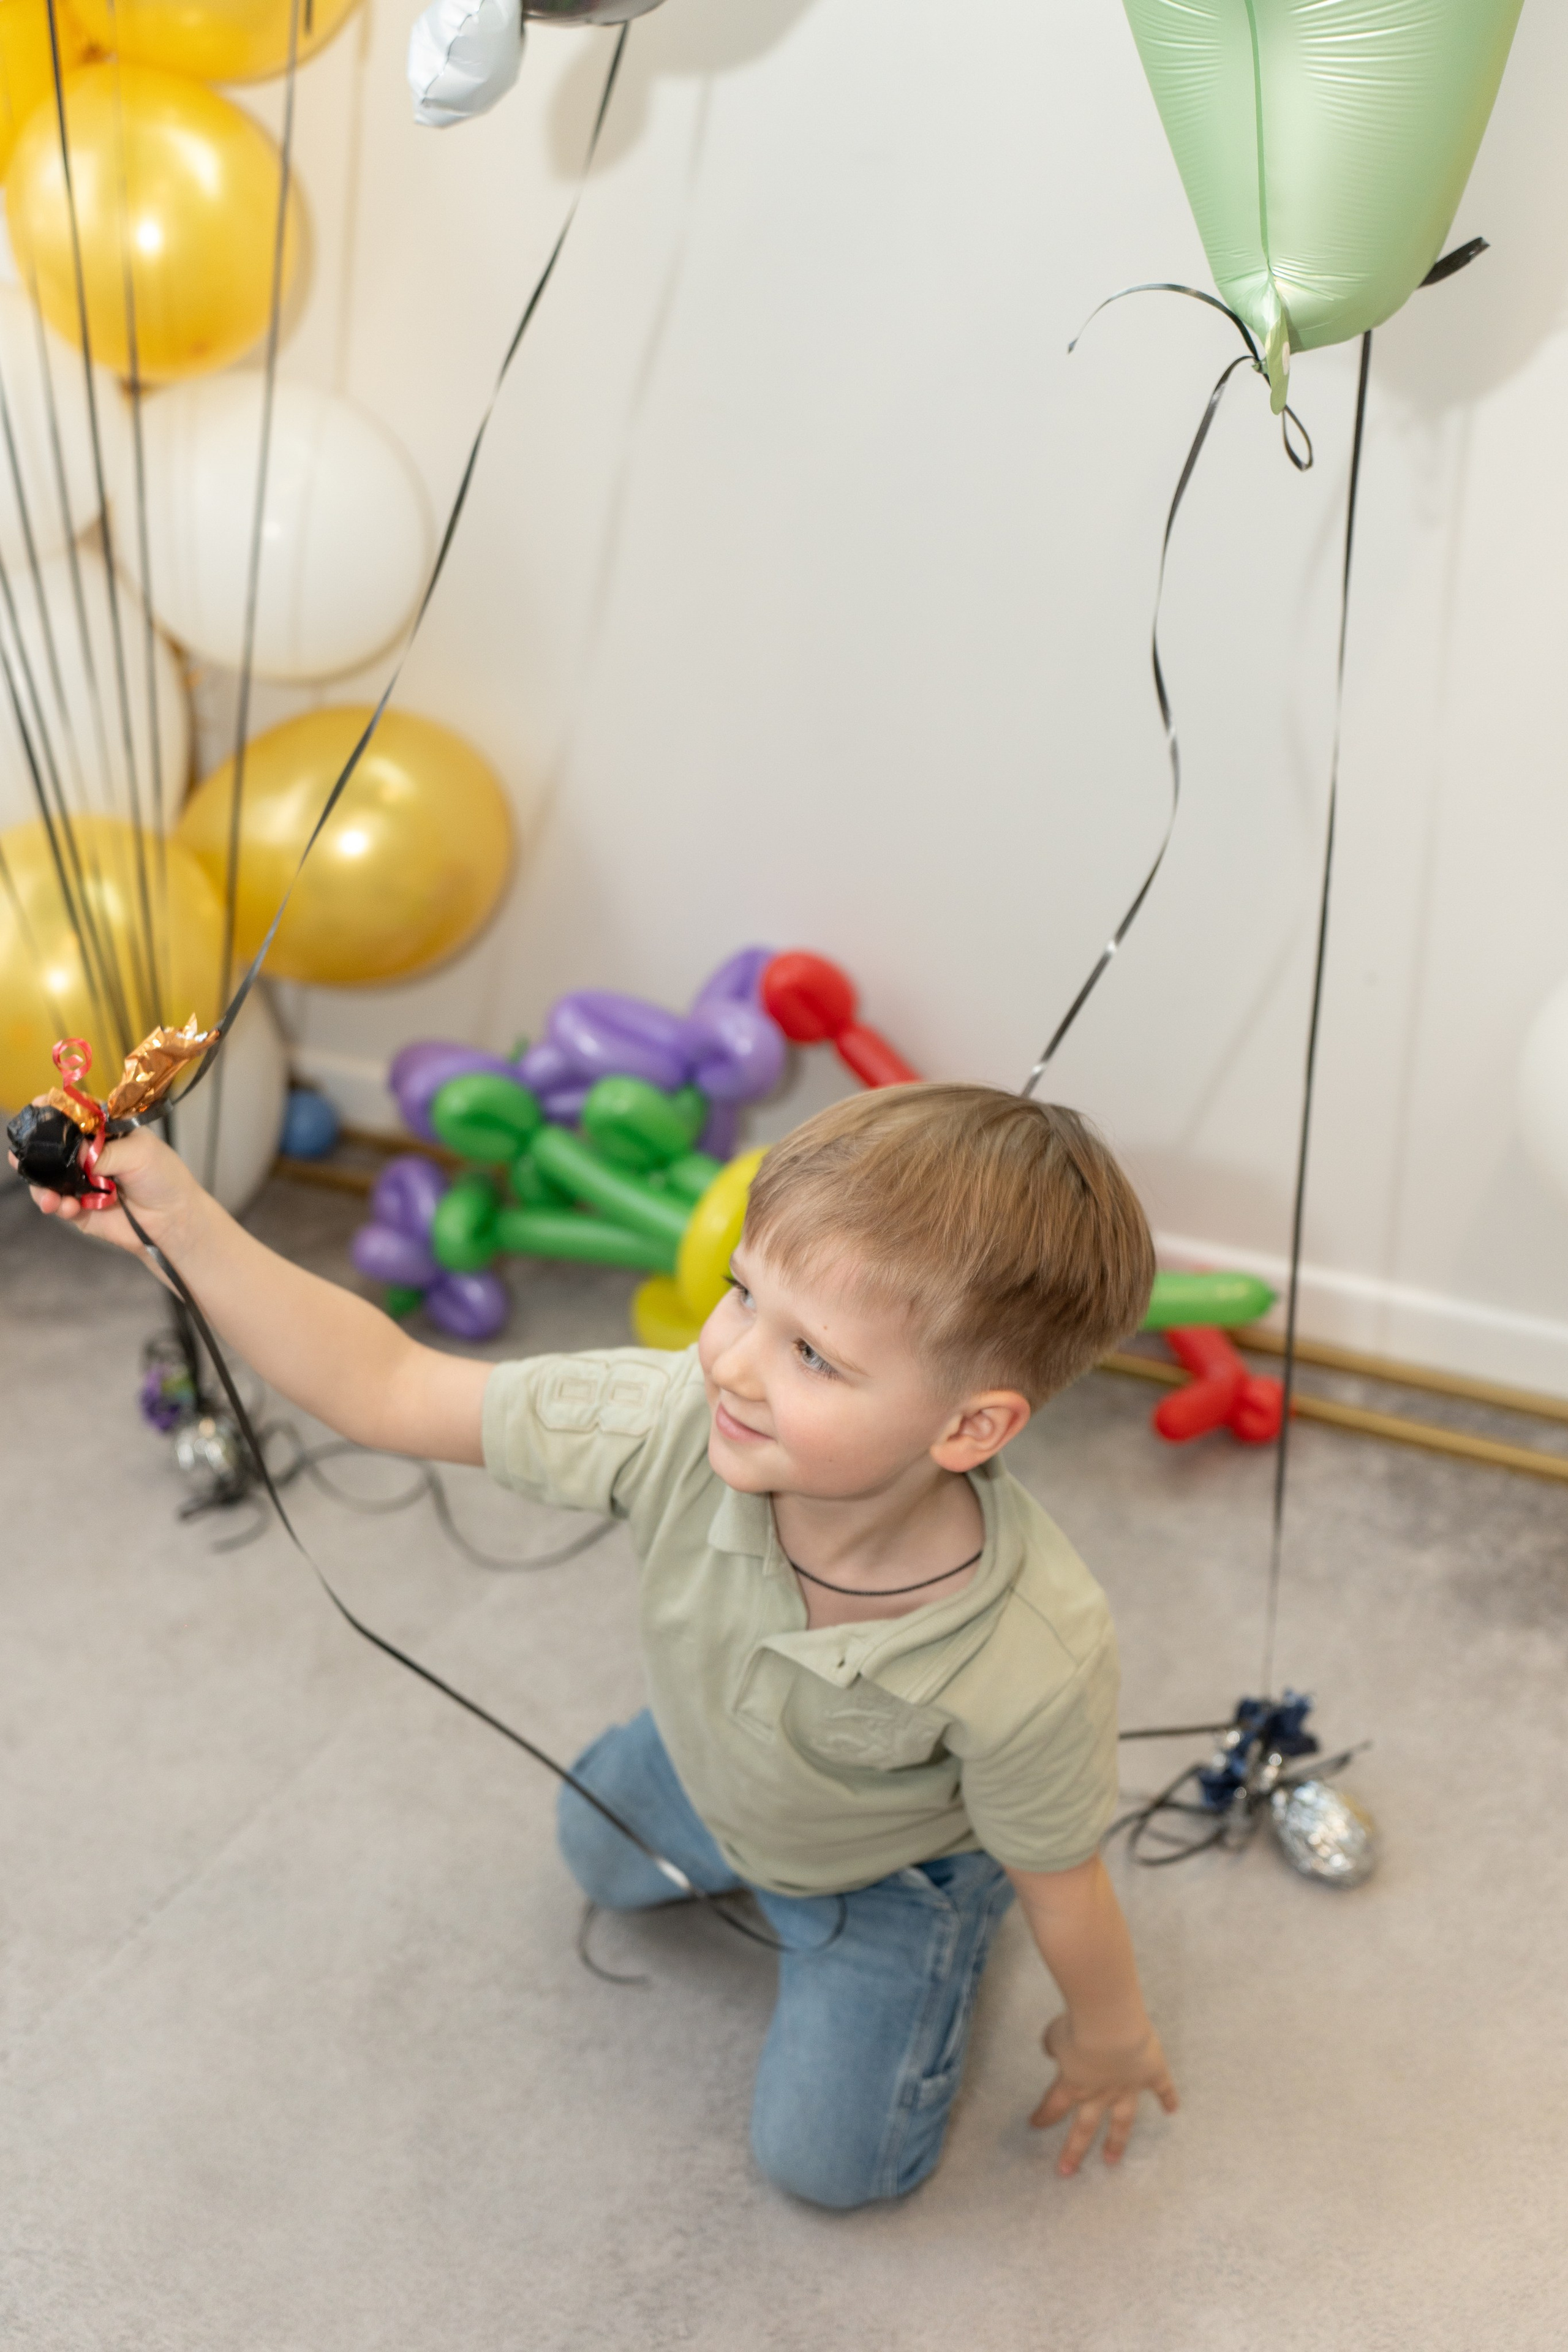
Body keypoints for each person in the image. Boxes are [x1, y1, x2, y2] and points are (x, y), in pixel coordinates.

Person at [18, 1079, 1178, 2208]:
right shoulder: (674, 1415)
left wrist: (1110, 2034)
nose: (729, 1361)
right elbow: (387, 1384)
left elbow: (1063, 1881)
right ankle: (718, 1798)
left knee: (831, 2170)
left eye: (812, 1356)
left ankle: (944, 1945)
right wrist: (180, 1225)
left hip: (885, 1876)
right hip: (709, 1761)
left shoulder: (1035, 1650)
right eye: (742, 1297)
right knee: (595, 1846)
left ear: (971, 1427)